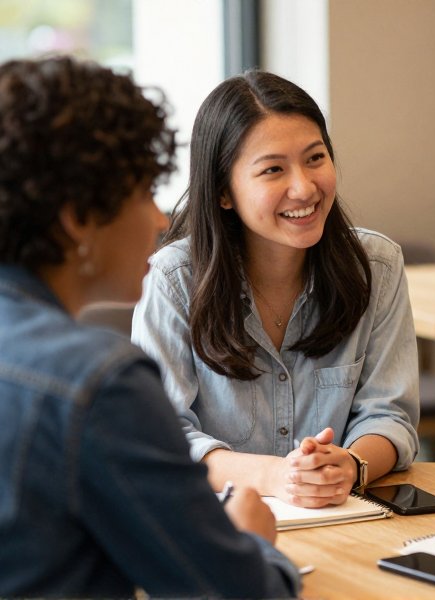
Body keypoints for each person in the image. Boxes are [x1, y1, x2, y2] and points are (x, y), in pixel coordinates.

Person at [0, 56, 299, 598]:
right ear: (79, 219)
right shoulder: (99, 383)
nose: (161, 220)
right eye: (143, 194)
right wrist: (254, 542)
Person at [131, 70, 419, 507]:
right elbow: (163, 436)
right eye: (273, 170)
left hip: (341, 517)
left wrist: (351, 464)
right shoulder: (174, 279)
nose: (303, 188)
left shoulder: (376, 266)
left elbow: (389, 413)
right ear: (224, 192)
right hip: (218, 521)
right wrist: (277, 476)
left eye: (315, 158)